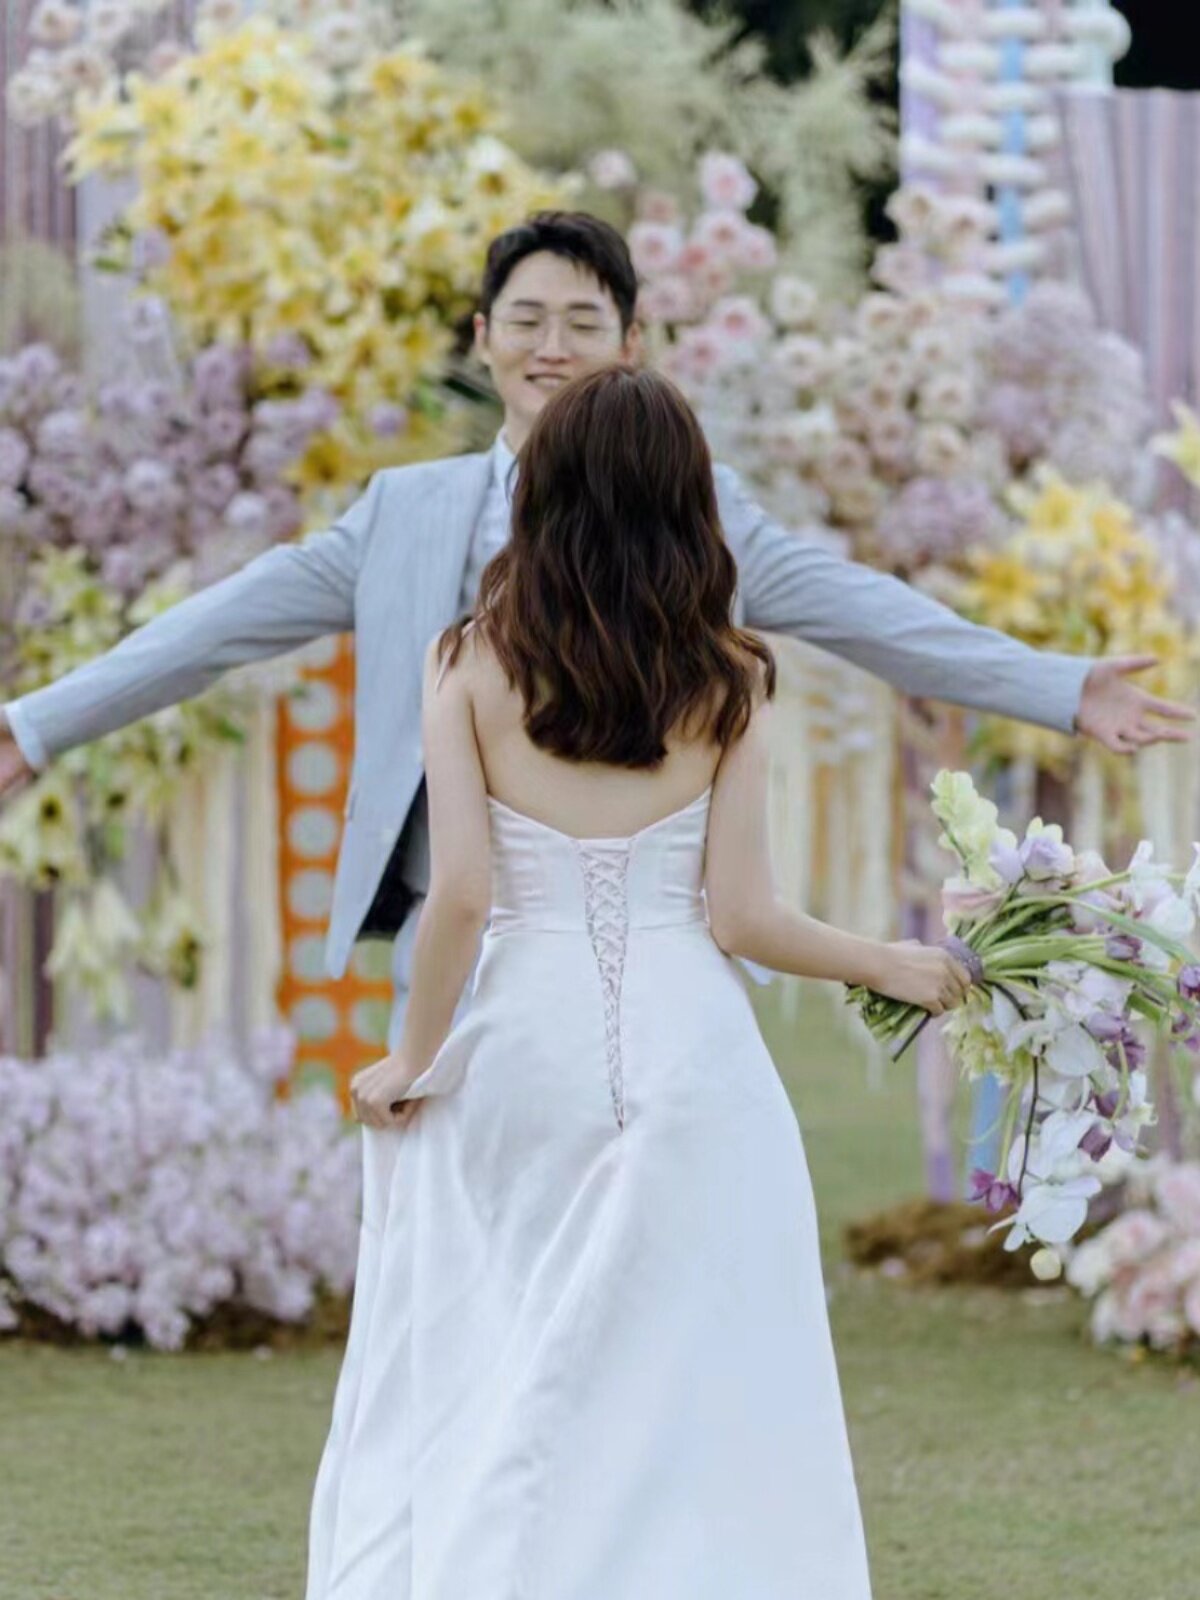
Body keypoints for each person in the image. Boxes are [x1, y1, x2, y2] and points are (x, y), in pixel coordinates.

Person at [0, 211, 1191, 1056]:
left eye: (582, 320)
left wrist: (1057, 685)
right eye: (525, 320)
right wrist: (38, 724)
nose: (550, 346)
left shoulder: (701, 515)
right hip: (449, 933)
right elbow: (219, 624)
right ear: (481, 338)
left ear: (632, 344)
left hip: (648, 956)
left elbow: (866, 609)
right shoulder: (401, 514)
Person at [309, 364, 971, 1596]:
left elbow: (460, 897)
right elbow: (743, 915)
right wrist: (891, 961)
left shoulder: (468, 664)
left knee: (511, 1353)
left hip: (520, 1046)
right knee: (701, 1378)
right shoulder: (730, 678)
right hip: (694, 1057)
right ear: (686, 504)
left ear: (543, 494)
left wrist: (413, 1057)